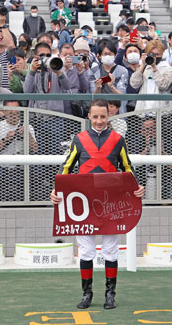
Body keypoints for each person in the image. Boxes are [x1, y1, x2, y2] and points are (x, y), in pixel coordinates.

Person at [50, 99, 145, 310]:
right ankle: (87, 293)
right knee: (85, 250)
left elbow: (128, 168)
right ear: (89, 117)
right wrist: (56, 191)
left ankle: (110, 294)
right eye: (95, 117)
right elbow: (66, 168)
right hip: (83, 204)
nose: (99, 120)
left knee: (110, 250)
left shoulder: (119, 139)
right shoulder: (79, 139)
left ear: (108, 116)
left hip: (111, 204)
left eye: (103, 116)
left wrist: (137, 187)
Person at [0, 100, 38, 202]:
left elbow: (34, 149)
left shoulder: (28, 126)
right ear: (5, 112)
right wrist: (6, 140)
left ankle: (34, 201)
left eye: (16, 111)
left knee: (37, 170)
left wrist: (27, 135)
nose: (14, 114)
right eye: (11, 111)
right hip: (3, 166)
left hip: (23, 166)